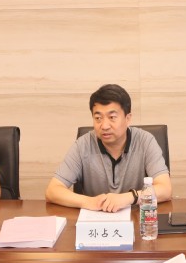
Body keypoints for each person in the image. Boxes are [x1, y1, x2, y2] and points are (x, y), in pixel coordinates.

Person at [46, 84, 172, 212]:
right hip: (95, 220)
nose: (104, 126)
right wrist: (90, 202)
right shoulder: (83, 145)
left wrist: (129, 197)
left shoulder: (145, 141)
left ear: (128, 119)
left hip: (137, 219)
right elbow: (52, 191)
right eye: (98, 118)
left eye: (112, 117)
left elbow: (165, 189)